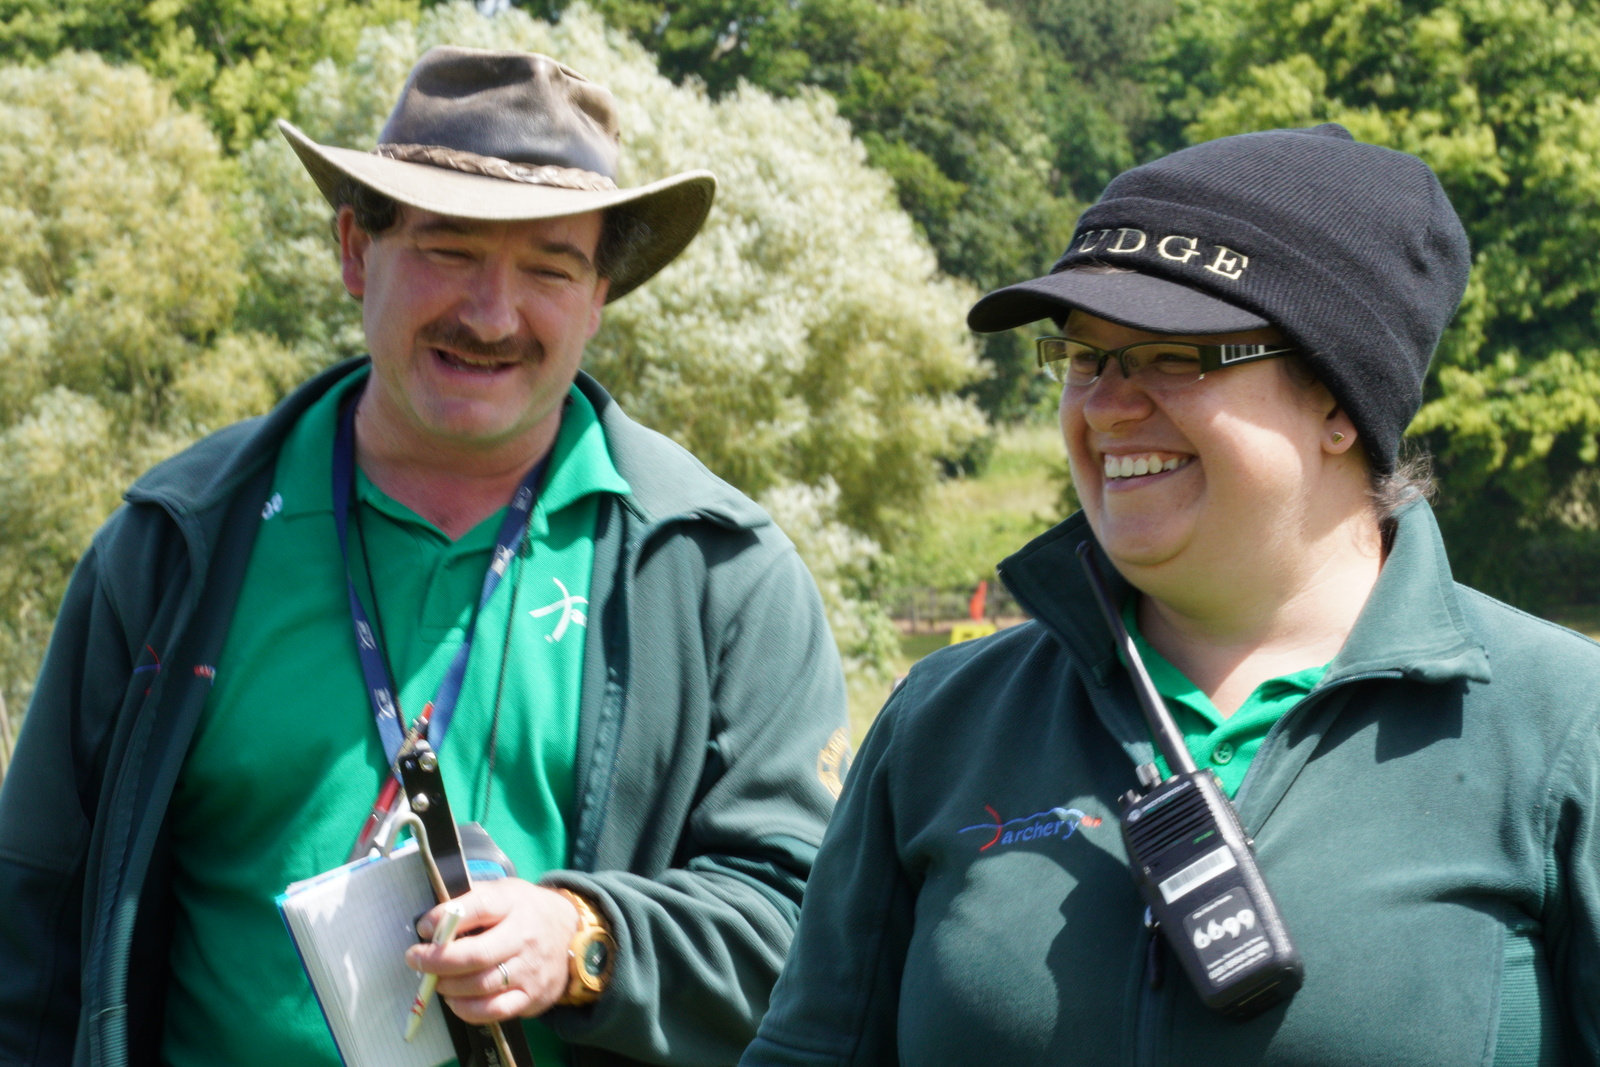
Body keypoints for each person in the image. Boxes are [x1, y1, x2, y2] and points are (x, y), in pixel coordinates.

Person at [0, 47, 848, 1067]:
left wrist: (585, 939)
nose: (492, 314)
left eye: (548, 266)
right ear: (356, 250)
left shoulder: (718, 574)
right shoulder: (173, 544)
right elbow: (32, 927)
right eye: (449, 250)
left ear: (600, 292)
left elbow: (806, 921)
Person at [740, 124, 1600, 1066]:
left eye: (1173, 354)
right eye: (1083, 357)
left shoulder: (1564, 728)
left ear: (1339, 405)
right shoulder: (943, 722)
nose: (1107, 404)